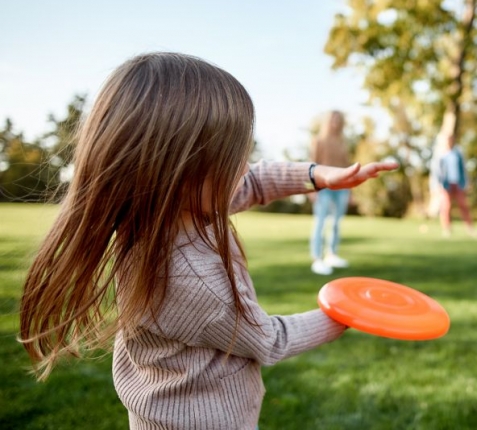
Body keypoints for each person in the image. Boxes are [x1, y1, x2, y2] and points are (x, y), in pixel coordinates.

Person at [17, 52, 398, 430]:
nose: (244, 169)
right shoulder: (190, 278)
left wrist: (317, 174)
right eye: (233, 159)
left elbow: (254, 181)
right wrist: (344, 314)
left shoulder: (162, 209)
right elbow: (269, 340)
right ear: (183, 169)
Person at [308, 110, 352, 275]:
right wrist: (311, 189)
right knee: (320, 222)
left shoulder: (342, 142)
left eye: (338, 119)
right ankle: (316, 259)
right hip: (323, 187)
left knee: (335, 222)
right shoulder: (318, 141)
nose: (335, 122)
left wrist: (350, 191)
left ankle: (331, 254)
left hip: (341, 188)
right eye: (333, 119)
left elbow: (347, 167)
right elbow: (311, 165)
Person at [432, 130, 477, 237]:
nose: (449, 142)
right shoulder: (441, 155)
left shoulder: (458, 154)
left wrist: (466, 182)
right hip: (446, 184)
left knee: (463, 205)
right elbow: (437, 171)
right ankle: (447, 229)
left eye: (451, 140)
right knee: (446, 207)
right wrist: (437, 185)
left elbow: (463, 169)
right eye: (448, 140)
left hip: (458, 183)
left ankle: (469, 228)